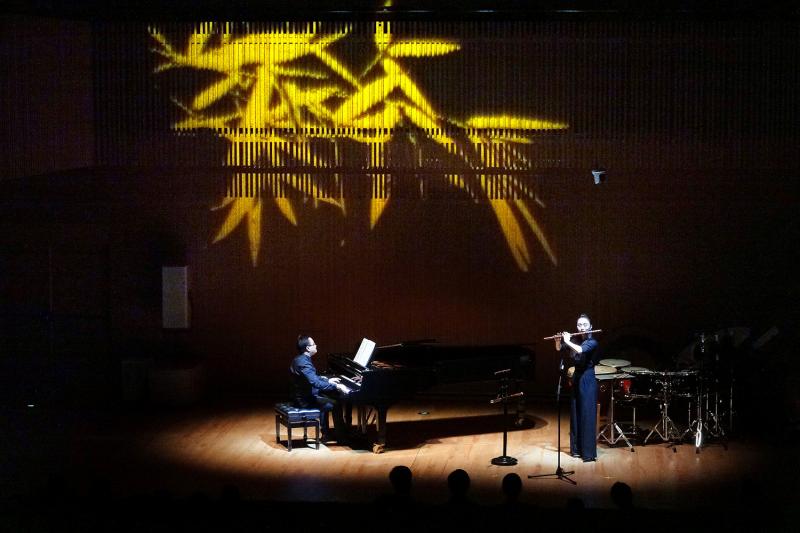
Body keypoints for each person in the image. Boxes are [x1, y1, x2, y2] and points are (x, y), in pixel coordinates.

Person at [289, 334, 350, 443]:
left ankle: (326, 434)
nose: (316, 345)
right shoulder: (303, 363)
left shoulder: (301, 359)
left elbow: (313, 377)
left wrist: (327, 380)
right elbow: (315, 383)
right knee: (335, 404)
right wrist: (336, 385)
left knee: (326, 398)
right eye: (314, 344)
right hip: (303, 400)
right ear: (308, 348)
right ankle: (341, 437)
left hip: (304, 395)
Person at [555, 314, 599, 462]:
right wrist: (558, 341)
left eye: (585, 325)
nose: (582, 327)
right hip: (577, 378)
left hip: (588, 379)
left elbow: (580, 350)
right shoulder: (575, 339)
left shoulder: (592, 342)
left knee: (587, 415)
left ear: (591, 326)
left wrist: (567, 340)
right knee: (575, 414)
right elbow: (559, 349)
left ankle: (588, 453)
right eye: (579, 325)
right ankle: (576, 450)